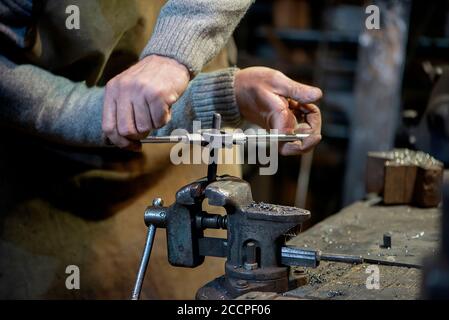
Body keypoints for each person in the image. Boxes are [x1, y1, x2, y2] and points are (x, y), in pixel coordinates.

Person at [0, 0, 322, 299]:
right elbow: (10, 86)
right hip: (55, 185)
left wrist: (216, 85)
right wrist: (129, 111)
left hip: (197, 146)